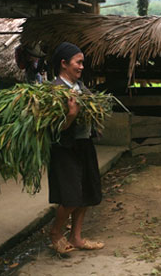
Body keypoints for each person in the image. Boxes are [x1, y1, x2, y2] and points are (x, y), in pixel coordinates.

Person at [48, 42, 104, 254]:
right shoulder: (54, 91)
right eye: (78, 62)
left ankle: (77, 237)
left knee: (87, 192)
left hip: (84, 145)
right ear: (64, 63)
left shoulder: (81, 87)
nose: (82, 67)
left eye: (82, 63)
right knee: (71, 197)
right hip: (65, 149)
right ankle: (55, 232)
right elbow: (53, 129)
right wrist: (71, 116)